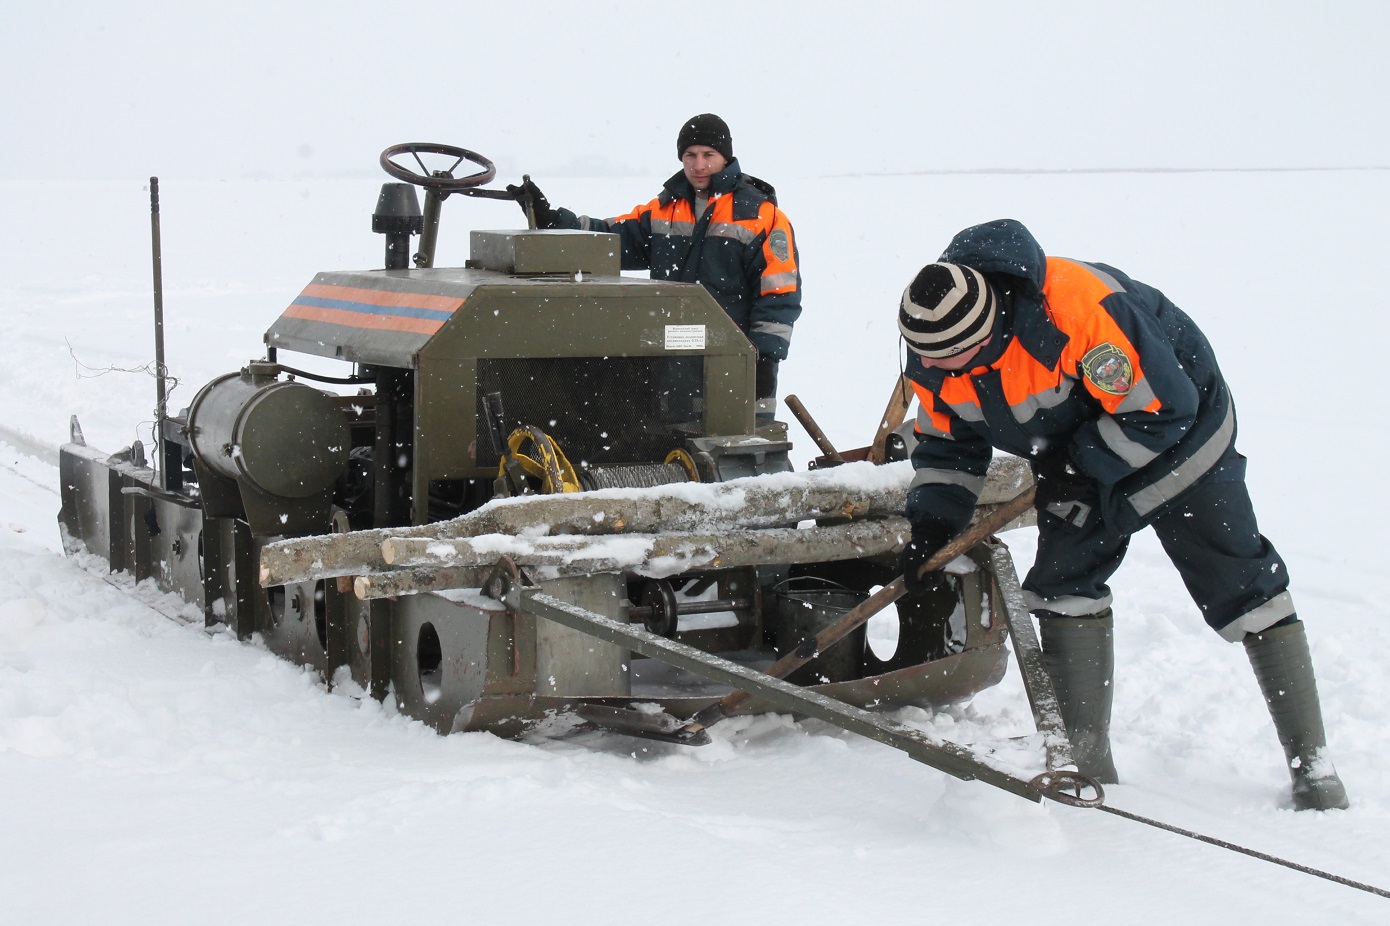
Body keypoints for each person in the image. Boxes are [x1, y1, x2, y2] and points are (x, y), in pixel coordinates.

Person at [894, 218, 1348, 811]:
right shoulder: (936, 348)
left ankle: (1313, 767)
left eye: (959, 357)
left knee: (1241, 582)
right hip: (1074, 453)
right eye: (934, 361)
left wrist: (1081, 466)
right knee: (1062, 585)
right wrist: (932, 525)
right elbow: (948, 446)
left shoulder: (1083, 313)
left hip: (1182, 438)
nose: (945, 370)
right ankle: (1085, 760)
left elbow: (1163, 410)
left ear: (988, 327)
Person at [508, 114, 802, 417]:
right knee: (675, 448)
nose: (698, 165)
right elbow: (607, 237)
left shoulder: (760, 216)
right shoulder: (664, 209)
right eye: (690, 155)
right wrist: (553, 221)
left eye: (708, 155)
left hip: (733, 366)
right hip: (671, 364)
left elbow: (779, 294)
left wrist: (764, 359)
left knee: (742, 453)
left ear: (725, 157)